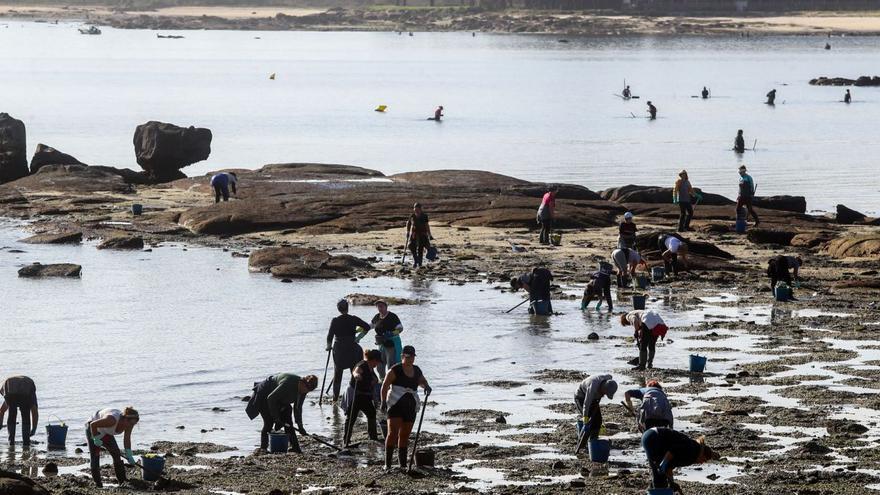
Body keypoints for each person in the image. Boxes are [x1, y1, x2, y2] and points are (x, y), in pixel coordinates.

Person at [380, 345, 431, 471]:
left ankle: (402, 464)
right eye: (408, 357)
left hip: (410, 405)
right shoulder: (395, 369)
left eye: (412, 357)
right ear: (402, 356)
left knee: (405, 435)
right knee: (392, 434)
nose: (410, 359)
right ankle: (388, 464)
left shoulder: (416, 370)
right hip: (395, 404)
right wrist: (383, 402)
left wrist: (426, 387)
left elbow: (422, 381)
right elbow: (385, 386)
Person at [245, 373, 318, 454]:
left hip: (278, 399)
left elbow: (298, 408)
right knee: (269, 422)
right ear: (302, 382)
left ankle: (296, 448)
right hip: (265, 394)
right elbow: (271, 398)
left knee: (288, 420)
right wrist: (276, 418)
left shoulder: (304, 390)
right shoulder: (288, 383)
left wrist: (300, 426)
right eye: (306, 388)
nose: (305, 391)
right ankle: (263, 448)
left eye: (309, 390)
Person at [641, 427, 719, 491]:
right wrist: (663, 464)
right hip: (654, 437)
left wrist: (672, 482)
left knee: (660, 479)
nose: (702, 463)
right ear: (702, 454)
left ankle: (654, 490)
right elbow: (672, 451)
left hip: (653, 438)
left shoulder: (692, 455)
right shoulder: (691, 449)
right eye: (704, 460)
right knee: (659, 479)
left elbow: (670, 466)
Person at [326, 299, 369, 402]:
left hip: (339, 350)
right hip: (352, 348)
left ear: (338, 309)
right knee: (354, 372)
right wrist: (358, 337)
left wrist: (328, 346)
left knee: (338, 374)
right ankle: (356, 396)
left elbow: (329, 337)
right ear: (347, 308)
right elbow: (367, 327)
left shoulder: (335, 320)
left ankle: (335, 399)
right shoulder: (353, 319)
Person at [86, 407, 139, 488]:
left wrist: (129, 454)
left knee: (116, 453)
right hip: (93, 428)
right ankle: (98, 484)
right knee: (95, 456)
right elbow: (93, 425)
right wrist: (96, 439)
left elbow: (127, 438)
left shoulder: (129, 424)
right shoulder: (112, 420)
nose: (131, 426)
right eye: (131, 423)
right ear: (125, 419)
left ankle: (122, 481)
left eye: (134, 424)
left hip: (106, 431)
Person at [344, 349, 382, 445]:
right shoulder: (362, 365)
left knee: (372, 413)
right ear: (373, 359)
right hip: (356, 395)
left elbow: (374, 379)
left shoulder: (370, 367)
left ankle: (373, 437)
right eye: (377, 362)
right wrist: (357, 375)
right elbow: (355, 371)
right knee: (351, 417)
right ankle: (346, 441)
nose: (377, 364)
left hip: (365, 396)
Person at [573, 375, 617, 442]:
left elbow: (610, 376)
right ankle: (581, 439)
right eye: (605, 393)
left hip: (594, 399)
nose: (605, 395)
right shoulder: (593, 387)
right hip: (581, 396)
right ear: (603, 389)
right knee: (589, 420)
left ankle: (593, 440)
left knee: (598, 420)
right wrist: (585, 417)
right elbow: (586, 404)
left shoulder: (607, 379)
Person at [370, 301, 404, 379]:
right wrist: (360, 329)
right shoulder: (377, 317)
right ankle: (382, 382)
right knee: (379, 366)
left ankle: (391, 383)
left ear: (386, 307)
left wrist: (392, 333)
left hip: (391, 345)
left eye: (381, 306)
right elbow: (370, 326)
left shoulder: (392, 316)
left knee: (391, 365)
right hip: (381, 345)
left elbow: (400, 328)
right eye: (378, 306)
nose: (380, 308)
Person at [0, 376, 38, 446]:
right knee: (25, 413)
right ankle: (26, 442)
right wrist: (33, 429)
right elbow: (34, 411)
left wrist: (0, 422)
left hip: (9, 385)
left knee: (12, 412)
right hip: (23, 389)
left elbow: (2, 411)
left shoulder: (7, 389)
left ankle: (11, 442)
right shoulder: (31, 389)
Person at [406, 203, 432, 268]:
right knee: (411, 246)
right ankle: (416, 260)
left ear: (420, 209)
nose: (416, 210)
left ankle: (419, 263)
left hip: (422, 234)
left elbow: (427, 225)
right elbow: (408, 223)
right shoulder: (412, 216)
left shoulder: (424, 216)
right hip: (414, 234)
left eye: (418, 209)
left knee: (420, 249)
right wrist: (408, 232)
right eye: (415, 209)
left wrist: (429, 234)